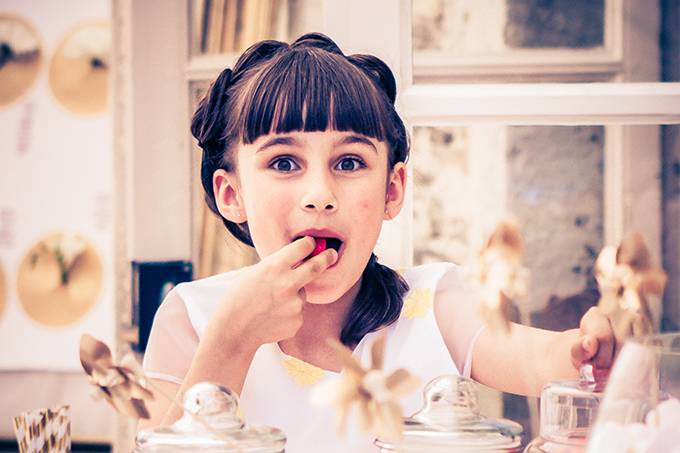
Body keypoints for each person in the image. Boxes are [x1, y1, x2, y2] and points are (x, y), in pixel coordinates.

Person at [139, 33, 616, 451]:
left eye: (349, 163)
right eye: (284, 163)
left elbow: (537, 359)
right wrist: (231, 339)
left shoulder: (432, 306)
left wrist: (587, 351)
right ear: (231, 193)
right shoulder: (193, 317)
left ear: (393, 190)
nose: (320, 197)